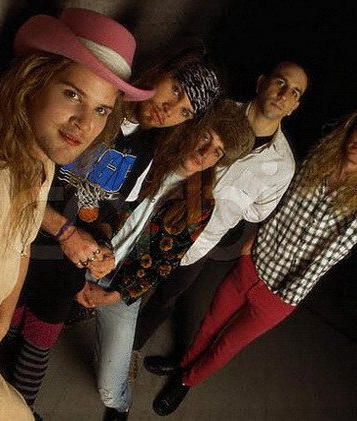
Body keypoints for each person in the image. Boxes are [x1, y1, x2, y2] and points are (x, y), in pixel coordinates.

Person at [0, 8, 152, 420]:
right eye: (73, 94)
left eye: (101, 110)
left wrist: (2, 323)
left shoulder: (37, 158)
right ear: (32, 81)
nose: (84, 124)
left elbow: (23, 238)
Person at [147, 100, 357, 415]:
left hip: (283, 293)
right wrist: (254, 238)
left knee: (228, 345)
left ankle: (185, 381)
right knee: (210, 323)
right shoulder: (317, 162)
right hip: (254, 263)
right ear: (352, 128)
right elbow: (279, 202)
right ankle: (183, 363)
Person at [0, 50, 221, 413]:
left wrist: (103, 246)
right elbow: (16, 180)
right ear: (160, 70)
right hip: (21, 237)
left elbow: (109, 211)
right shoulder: (95, 110)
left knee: (41, 339)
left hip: (66, 258)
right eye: (176, 90)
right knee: (2, 328)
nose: (170, 110)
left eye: (185, 112)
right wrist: (67, 232)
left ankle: (21, 408)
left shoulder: (150, 150)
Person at [78, 99, 254, 420]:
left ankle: (122, 404)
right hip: (84, 257)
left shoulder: (200, 204)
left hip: (122, 288)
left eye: (217, 152)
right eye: (206, 137)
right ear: (192, 129)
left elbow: (164, 261)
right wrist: (83, 266)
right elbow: (94, 203)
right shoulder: (146, 156)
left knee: (110, 390)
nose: (205, 153)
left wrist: (114, 295)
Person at [133, 61, 309, 353]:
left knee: (166, 296)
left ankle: (133, 348)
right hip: (156, 212)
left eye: (294, 92)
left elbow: (258, 212)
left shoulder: (283, 165)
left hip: (200, 241)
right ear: (261, 82)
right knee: (126, 266)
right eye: (280, 82)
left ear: (295, 106)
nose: (283, 94)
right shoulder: (218, 111)